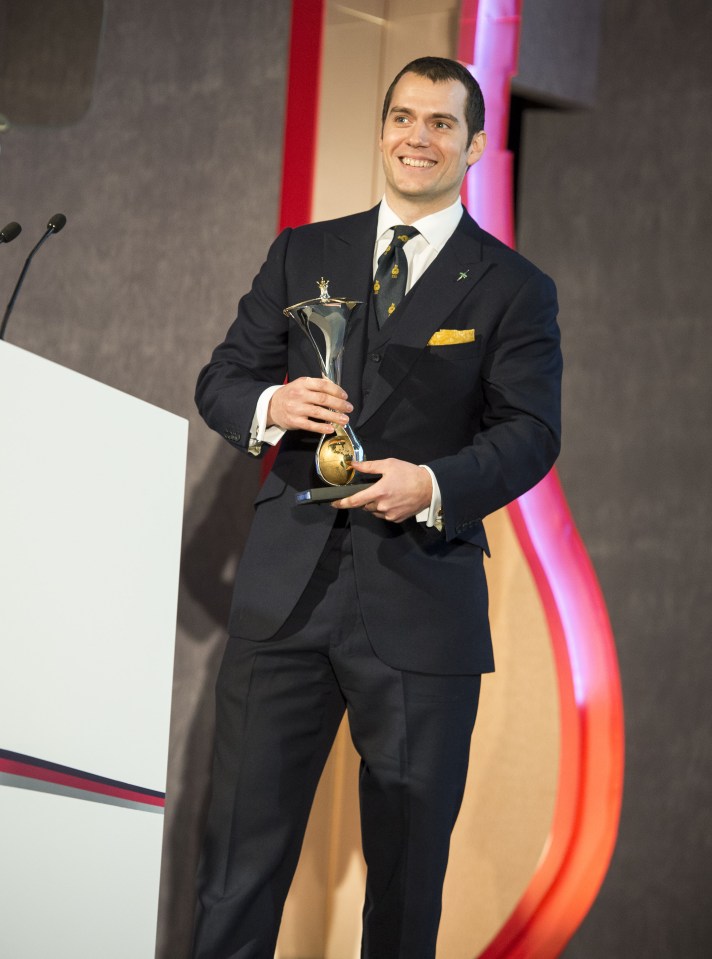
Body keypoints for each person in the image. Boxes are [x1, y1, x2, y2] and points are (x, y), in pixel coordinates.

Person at [192, 56, 562, 959]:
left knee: (402, 890)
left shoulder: (515, 286)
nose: (416, 137)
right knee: (237, 866)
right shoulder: (302, 250)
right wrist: (270, 406)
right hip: (284, 597)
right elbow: (222, 380)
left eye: (441, 123)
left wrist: (432, 486)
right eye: (403, 116)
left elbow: (529, 434)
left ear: (475, 146)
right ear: (382, 128)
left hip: (419, 598)